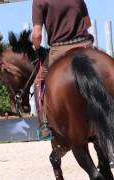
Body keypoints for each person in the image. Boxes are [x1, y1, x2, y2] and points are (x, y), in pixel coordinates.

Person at [32, 0, 93, 139]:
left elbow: (37, 35)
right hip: (85, 44)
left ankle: (44, 124)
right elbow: (88, 23)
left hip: (59, 49)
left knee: (38, 81)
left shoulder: (39, 1)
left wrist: (37, 48)